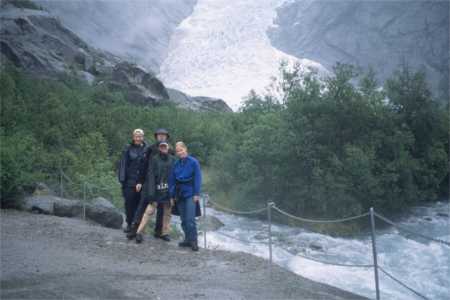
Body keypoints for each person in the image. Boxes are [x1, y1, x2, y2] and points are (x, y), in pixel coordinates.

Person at [133, 141, 176, 243]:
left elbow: (175, 176)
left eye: (165, 146)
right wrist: (151, 193)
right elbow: (151, 177)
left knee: (167, 214)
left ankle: (165, 233)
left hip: (168, 191)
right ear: (159, 148)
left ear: (168, 147)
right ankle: (139, 232)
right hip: (156, 191)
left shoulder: (173, 160)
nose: (163, 148)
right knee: (148, 212)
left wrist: (173, 193)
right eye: (161, 147)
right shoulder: (154, 159)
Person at [169, 141, 202, 251]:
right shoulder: (176, 164)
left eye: (181, 150)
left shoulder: (194, 162)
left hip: (190, 193)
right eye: (178, 151)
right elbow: (172, 180)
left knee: (190, 219)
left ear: (185, 149)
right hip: (179, 194)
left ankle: (194, 241)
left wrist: (196, 193)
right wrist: (172, 195)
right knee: (183, 219)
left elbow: (198, 178)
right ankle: (187, 239)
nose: (180, 152)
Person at [118, 129, 150, 234]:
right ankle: (129, 224)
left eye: (140, 136)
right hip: (129, 181)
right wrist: (122, 180)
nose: (138, 138)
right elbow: (123, 165)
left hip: (142, 181)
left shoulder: (147, 149)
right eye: (136, 136)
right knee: (129, 204)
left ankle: (137, 226)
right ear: (133, 137)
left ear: (143, 137)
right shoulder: (128, 148)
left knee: (140, 205)